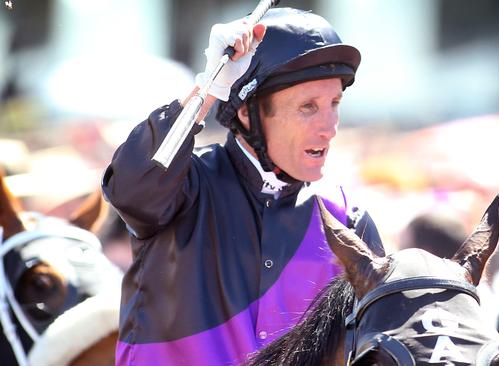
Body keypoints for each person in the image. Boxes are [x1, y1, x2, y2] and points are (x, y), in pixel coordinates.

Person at [101, 7, 384, 366]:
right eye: (308, 107)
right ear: (247, 112)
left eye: (334, 104)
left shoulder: (349, 222)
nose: (329, 127)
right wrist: (209, 87)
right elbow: (130, 185)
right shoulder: (183, 186)